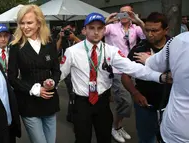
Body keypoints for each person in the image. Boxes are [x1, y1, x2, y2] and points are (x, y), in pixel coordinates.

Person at [60, 12, 169, 143]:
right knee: (82, 138)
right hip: (81, 103)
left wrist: (160, 77)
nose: (96, 32)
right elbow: (59, 74)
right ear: (84, 30)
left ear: (104, 30)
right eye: (91, 28)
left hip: (102, 102)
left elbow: (133, 68)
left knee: (105, 137)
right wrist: (47, 86)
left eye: (99, 28)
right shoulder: (72, 51)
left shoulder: (111, 51)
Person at [8, 5, 61, 143]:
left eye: (29, 22)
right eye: (22, 23)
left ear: (39, 23)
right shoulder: (15, 46)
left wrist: (53, 82)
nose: (25, 27)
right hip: (29, 103)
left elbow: (56, 70)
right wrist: (34, 89)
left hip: (49, 100)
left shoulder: (50, 43)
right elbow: (12, 78)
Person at [121, 12, 172, 143]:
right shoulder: (139, 48)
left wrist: (150, 61)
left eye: (155, 31)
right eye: (147, 30)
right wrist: (135, 93)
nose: (150, 34)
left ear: (166, 30)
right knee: (146, 138)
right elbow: (125, 76)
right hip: (145, 105)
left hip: (170, 104)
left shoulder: (175, 47)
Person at [104, 4, 146, 142]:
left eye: (127, 13)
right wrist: (106, 21)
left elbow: (148, 36)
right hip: (116, 69)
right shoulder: (111, 27)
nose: (123, 15)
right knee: (125, 101)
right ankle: (114, 127)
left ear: (131, 14)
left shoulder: (137, 28)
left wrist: (138, 21)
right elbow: (96, 34)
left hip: (132, 68)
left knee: (126, 100)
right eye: (121, 13)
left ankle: (118, 125)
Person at [144, 32, 189, 142]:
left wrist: (147, 59)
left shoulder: (180, 41)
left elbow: (154, 64)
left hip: (176, 131)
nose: (150, 34)